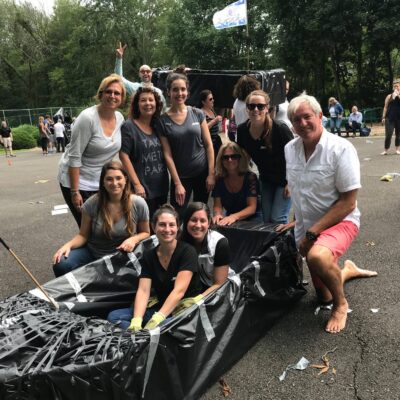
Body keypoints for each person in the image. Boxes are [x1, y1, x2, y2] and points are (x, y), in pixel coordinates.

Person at [283, 93, 377, 333]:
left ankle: (341, 304)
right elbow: (300, 191)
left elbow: (348, 202)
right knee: (321, 296)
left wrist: (312, 233)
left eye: (307, 117)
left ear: (320, 116)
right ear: (291, 124)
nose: (302, 124)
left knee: (318, 257)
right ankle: (346, 270)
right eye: (296, 120)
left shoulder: (341, 149)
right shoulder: (289, 150)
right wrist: (295, 223)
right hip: (308, 229)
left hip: (341, 222)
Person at [107, 204, 201, 330]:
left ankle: (143, 338)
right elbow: (144, 290)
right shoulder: (149, 255)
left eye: (172, 225)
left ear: (178, 227)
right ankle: (140, 337)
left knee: (161, 327)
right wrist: (136, 320)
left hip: (182, 311)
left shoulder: (188, 252)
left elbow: (179, 291)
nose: (167, 229)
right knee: (114, 317)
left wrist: (158, 318)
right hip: (160, 307)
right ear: (153, 226)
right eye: (162, 224)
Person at [53, 161, 150, 277]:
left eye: (118, 178)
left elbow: (146, 233)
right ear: (103, 182)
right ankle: (73, 293)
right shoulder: (91, 204)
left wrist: (133, 239)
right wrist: (67, 245)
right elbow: (83, 235)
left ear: (125, 179)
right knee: (61, 263)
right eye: (109, 179)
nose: (114, 183)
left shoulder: (138, 203)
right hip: (94, 254)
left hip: (123, 255)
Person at [57, 74, 126, 227]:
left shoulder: (120, 118)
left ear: (122, 98)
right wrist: (75, 192)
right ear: (101, 94)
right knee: (89, 228)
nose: (112, 96)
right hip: (76, 181)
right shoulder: (87, 118)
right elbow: (74, 157)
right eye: (108, 92)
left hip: (99, 181)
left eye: (117, 93)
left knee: (105, 225)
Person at [157, 72, 215, 219]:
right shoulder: (162, 121)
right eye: (175, 89)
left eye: (182, 89)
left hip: (202, 174)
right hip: (181, 176)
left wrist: (211, 173)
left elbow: (208, 145)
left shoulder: (197, 113)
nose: (179, 93)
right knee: (177, 216)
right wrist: (177, 183)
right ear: (168, 92)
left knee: (201, 215)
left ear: (188, 92)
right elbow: (167, 154)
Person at [236, 89, 293, 224]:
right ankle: (271, 245)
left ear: (267, 108)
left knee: (277, 218)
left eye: (260, 106)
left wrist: (291, 182)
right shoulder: (242, 130)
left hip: (285, 179)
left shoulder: (280, 129)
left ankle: (284, 244)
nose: (256, 109)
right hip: (266, 178)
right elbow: (244, 156)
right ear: (246, 109)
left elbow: (295, 156)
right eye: (251, 106)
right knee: (266, 219)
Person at [119, 87, 169, 219]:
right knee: (144, 228)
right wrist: (136, 184)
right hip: (142, 188)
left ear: (156, 104)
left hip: (161, 186)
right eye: (143, 100)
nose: (148, 103)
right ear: (137, 104)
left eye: (151, 100)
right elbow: (123, 155)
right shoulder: (129, 127)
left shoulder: (158, 125)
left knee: (159, 225)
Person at [180, 202, 233, 297]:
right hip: (199, 286)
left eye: (202, 221)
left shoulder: (220, 243)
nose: (198, 225)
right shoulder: (179, 239)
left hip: (223, 290)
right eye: (193, 220)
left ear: (209, 223)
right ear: (186, 222)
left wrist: (198, 300)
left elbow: (219, 284)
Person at [212, 142, 261, 225]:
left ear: (240, 158)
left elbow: (252, 207)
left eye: (234, 156)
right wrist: (218, 215)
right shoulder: (219, 179)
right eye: (225, 157)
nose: (230, 160)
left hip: (253, 217)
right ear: (221, 160)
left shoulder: (250, 177)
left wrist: (233, 217)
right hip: (231, 217)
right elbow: (217, 205)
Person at [114, 42, 166, 108]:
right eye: (143, 71)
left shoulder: (158, 91)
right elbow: (118, 78)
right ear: (139, 74)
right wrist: (119, 58)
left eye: (148, 71)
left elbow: (163, 110)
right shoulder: (135, 88)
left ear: (151, 74)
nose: (145, 73)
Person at [199, 90, 223, 158]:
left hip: (217, 141)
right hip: (209, 142)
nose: (213, 100)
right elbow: (202, 129)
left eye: (213, 98)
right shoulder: (201, 113)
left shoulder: (211, 109)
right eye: (210, 99)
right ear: (203, 102)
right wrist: (215, 120)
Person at [381, 78, 400, 155]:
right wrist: (383, 117)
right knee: (388, 134)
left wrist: (398, 95)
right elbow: (385, 107)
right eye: (395, 86)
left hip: (399, 118)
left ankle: (397, 149)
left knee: (398, 134)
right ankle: (386, 149)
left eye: (397, 86)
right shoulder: (389, 96)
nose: (396, 88)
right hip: (389, 117)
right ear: (393, 87)